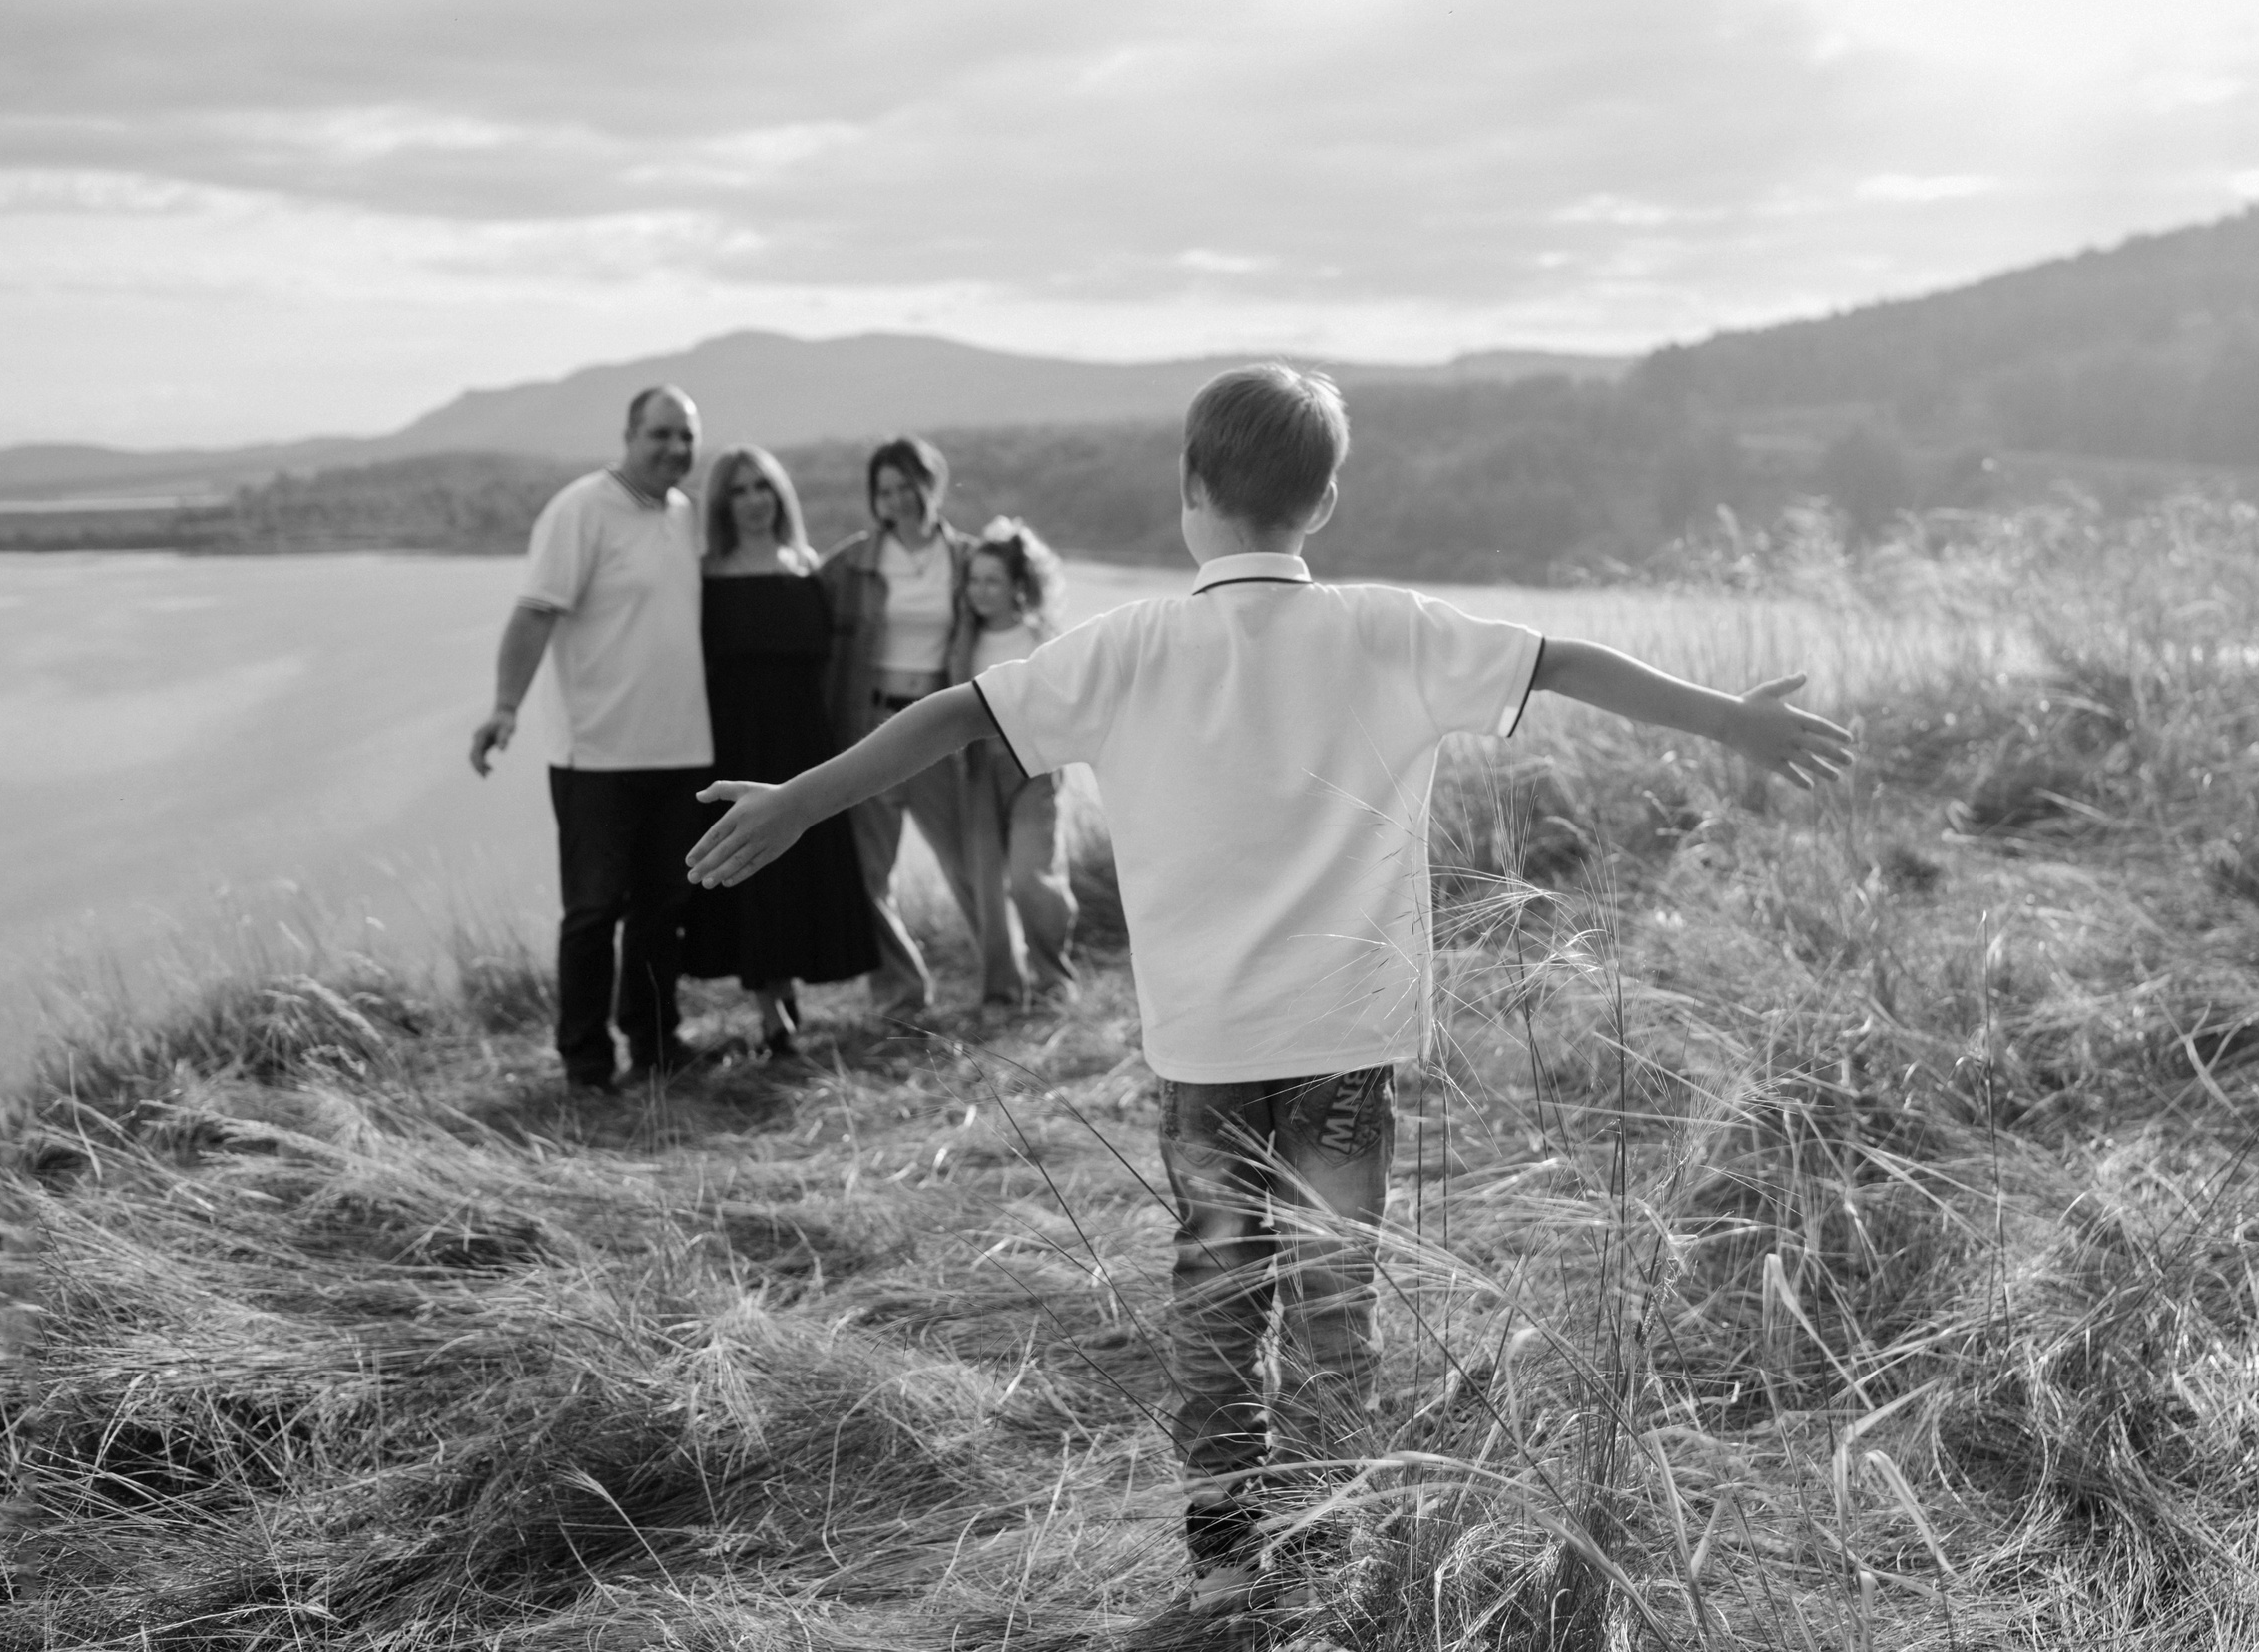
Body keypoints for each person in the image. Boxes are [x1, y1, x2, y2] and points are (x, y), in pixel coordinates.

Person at [683, 364, 1854, 1619]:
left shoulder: (1132, 645)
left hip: (1205, 1041)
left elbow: (951, 720)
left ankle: (1229, 1543)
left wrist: (799, 797)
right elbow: (1565, 659)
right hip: (1346, 1036)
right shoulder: (1387, 627)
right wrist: (1730, 719)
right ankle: (1327, 1528)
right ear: (1327, 499)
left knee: (1218, 1286)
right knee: (1334, 1290)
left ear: (1189, 490)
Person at [468, 385, 712, 1094]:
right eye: (661, 435)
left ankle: (656, 1042)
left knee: (663, 908)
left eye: (686, 439)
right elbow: (534, 613)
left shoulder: (683, 513)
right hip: (597, 755)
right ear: (629, 435)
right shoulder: (580, 510)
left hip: (679, 749)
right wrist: (505, 706)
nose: (674, 449)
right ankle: (584, 1061)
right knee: (594, 910)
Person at [679, 446, 878, 1057]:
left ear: (779, 495)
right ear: (722, 504)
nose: (753, 501)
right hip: (736, 744)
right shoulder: (705, 576)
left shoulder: (806, 568)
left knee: (796, 873)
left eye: (762, 487)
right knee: (750, 876)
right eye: (738, 491)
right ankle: (771, 1015)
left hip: (803, 743)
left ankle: (785, 989)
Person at [816, 435, 978, 1017]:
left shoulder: (965, 559)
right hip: (872, 728)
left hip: (942, 728)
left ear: (929, 483)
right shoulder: (853, 562)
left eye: (905, 487)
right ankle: (903, 991)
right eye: (883, 491)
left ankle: (1001, 979)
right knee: (868, 876)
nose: (895, 501)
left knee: (970, 863)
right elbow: (801, 605)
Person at [954, 519, 1078, 1005]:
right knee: (987, 884)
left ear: (1018, 586)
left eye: (993, 581)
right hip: (979, 768)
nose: (980, 592)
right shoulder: (962, 639)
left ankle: (1055, 979)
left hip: (1034, 767)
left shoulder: (1039, 636)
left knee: (1032, 879)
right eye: (974, 580)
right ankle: (1002, 992)